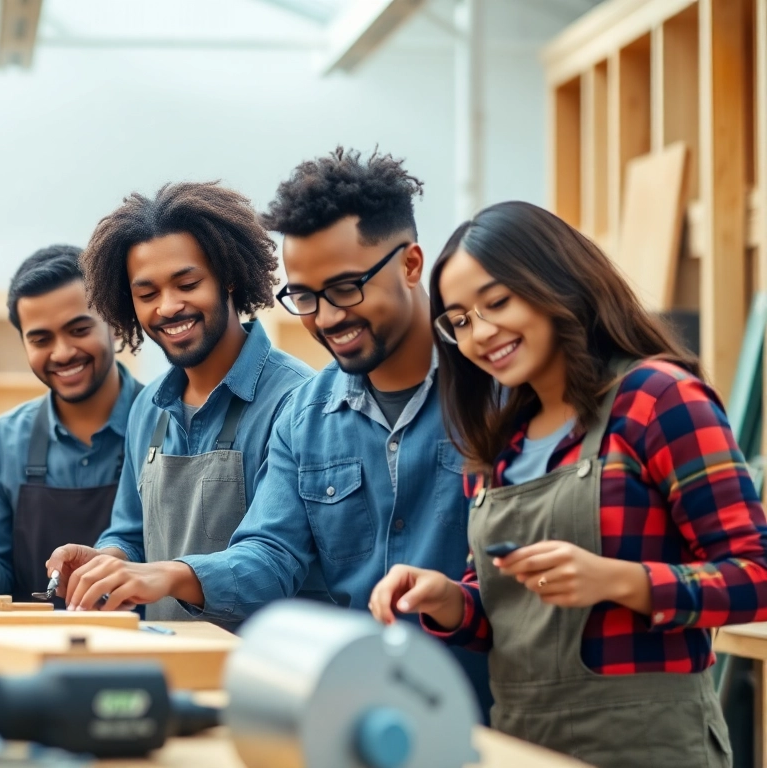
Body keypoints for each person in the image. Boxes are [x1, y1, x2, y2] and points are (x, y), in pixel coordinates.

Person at [46, 149, 490, 712]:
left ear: (410, 265)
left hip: (478, 709)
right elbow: (269, 551)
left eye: (347, 287)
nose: (327, 317)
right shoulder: (308, 415)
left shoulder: (493, 393)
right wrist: (126, 565)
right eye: (306, 296)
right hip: (345, 706)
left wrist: (169, 574)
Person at [369, 200, 767, 766]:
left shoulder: (656, 399)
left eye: (497, 302)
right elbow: (513, 615)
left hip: (651, 747)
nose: (480, 333)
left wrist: (619, 581)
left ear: (553, 279)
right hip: (523, 746)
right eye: (458, 321)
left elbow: (756, 574)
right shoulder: (493, 450)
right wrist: (451, 602)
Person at [46, 181, 313, 623]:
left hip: (265, 677)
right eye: (147, 294)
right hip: (166, 668)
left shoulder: (296, 400)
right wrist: (106, 559)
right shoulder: (148, 407)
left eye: (187, 283)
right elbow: (132, 534)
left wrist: (166, 576)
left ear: (228, 276)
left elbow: (274, 562)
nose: (168, 307)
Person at [0, 245, 142, 603]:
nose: (62, 352)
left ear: (114, 324)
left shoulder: (168, 425)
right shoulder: (2, 442)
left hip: (150, 651)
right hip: (28, 653)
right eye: (41, 339)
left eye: (79, 329)